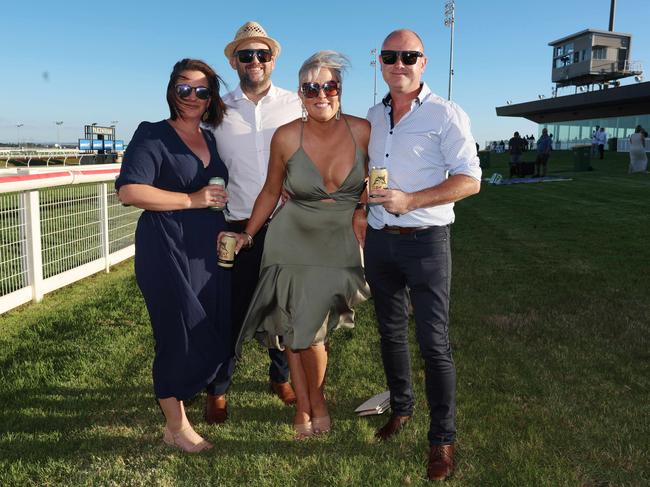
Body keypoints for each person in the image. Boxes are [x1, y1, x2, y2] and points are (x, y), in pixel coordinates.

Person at [361, 29, 481, 481]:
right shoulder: (374, 115)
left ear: (423, 62)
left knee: (434, 344)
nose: (399, 64)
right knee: (390, 333)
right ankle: (402, 409)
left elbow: (470, 179)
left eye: (408, 56)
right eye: (390, 56)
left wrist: (411, 200)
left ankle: (442, 440)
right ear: (381, 63)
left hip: (426, 241)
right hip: (379, 239)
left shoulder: (447, 114)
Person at [232, 51, 370, 439]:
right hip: (290, 238)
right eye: (312, 88)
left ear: (340, 91)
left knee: (315, 330)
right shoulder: (287, 135)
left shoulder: (363, 131)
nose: (321, 94)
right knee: (294, 327)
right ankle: (307, 407)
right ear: (300, 93)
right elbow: (270, 191)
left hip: (338, 240)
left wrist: (361, 207)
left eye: (329, 86)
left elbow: (377, 179)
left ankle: (317, 400)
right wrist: (249, 233)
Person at [115, 59, 231, 452]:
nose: (193, 97)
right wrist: (191, 199)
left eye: (202, 90)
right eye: (185, 89)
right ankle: (176, 426)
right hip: (165, 248)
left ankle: (181, 406)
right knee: (175, 334)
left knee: (206, 330)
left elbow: (213, 193)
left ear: (211, 96)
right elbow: (130, 191)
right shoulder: (153, 134)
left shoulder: (211, 138)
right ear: (172, 92)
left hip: (205, 253)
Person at [203, 21, 302, 425]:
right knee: (232, 312)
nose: (255, 61)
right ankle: (218, 389)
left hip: (289, 224)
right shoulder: (218, 110)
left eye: (262, 54)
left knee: (285, 308)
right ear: (233, 60)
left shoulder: (297, 103)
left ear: (273, 60)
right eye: (246, 55)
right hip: (238, 224)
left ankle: (279, 377)